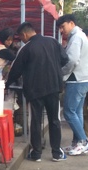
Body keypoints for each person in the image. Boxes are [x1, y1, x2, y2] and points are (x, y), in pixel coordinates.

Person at [6, 21, 69, 162]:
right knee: (54, 120)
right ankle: (56, 153)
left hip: (35, 89)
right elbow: (65, 59)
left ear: (24, 34)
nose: (21, 40)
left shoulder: (26, 48)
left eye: (21, 37)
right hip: (53, 87)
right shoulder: (53, 42)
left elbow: (15, 69)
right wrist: (54, 68)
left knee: (35, 120)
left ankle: (36, 153)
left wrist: (7, 84)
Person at [57, 14, 88, 155]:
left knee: (69, 112)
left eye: (62, 27)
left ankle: (83, 141)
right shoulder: (80, 36)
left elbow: (72, 60)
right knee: (77, 112)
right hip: (83, 79)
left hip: (76, 79)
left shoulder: (76, 38)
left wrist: (61, 73)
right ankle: (77, 144)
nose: (61, 31)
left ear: (71, 23)